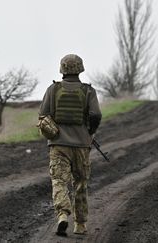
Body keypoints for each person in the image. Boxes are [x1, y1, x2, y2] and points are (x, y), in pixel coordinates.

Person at [38, 54, 102, 236]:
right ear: (80, 69)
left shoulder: (53, 89)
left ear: (62, 69)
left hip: (58, 145)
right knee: (80, 183)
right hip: (82, 145)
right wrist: (90, 132)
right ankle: (80, 225)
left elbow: (43, 115)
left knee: (59, 180)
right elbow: (96, 115)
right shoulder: (88, 91)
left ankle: (63, 215)